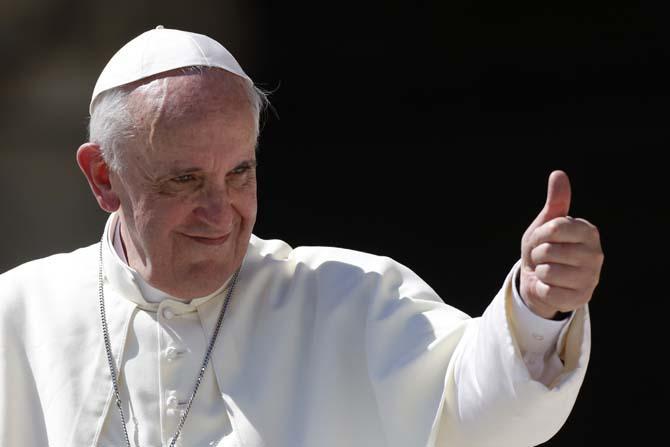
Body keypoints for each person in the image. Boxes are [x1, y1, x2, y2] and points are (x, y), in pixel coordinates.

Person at [0, 26, 603, 447]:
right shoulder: (18, 314)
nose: (220, 212)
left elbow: (478, 414)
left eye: (239, 173)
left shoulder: (348, 296)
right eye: (184, 180)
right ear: (104, 177)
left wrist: (538, 304)